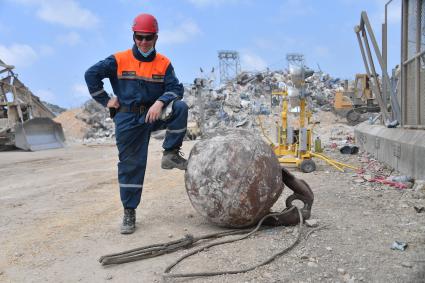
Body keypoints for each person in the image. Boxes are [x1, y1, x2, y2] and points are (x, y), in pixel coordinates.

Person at [85, 13, 188, 234]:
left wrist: (161, 102)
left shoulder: (163, 63)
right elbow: (91, 74)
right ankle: (129, 212)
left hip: (153, 115)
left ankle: (170, 154)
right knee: (131, 166)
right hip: (127, 119)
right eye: (139, 37)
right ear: (133, 36)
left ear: (156, 38)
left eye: (148, 37)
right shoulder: (118, 60)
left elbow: (176, 89)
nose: (143, 42)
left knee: (180, 107)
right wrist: (106, 100)